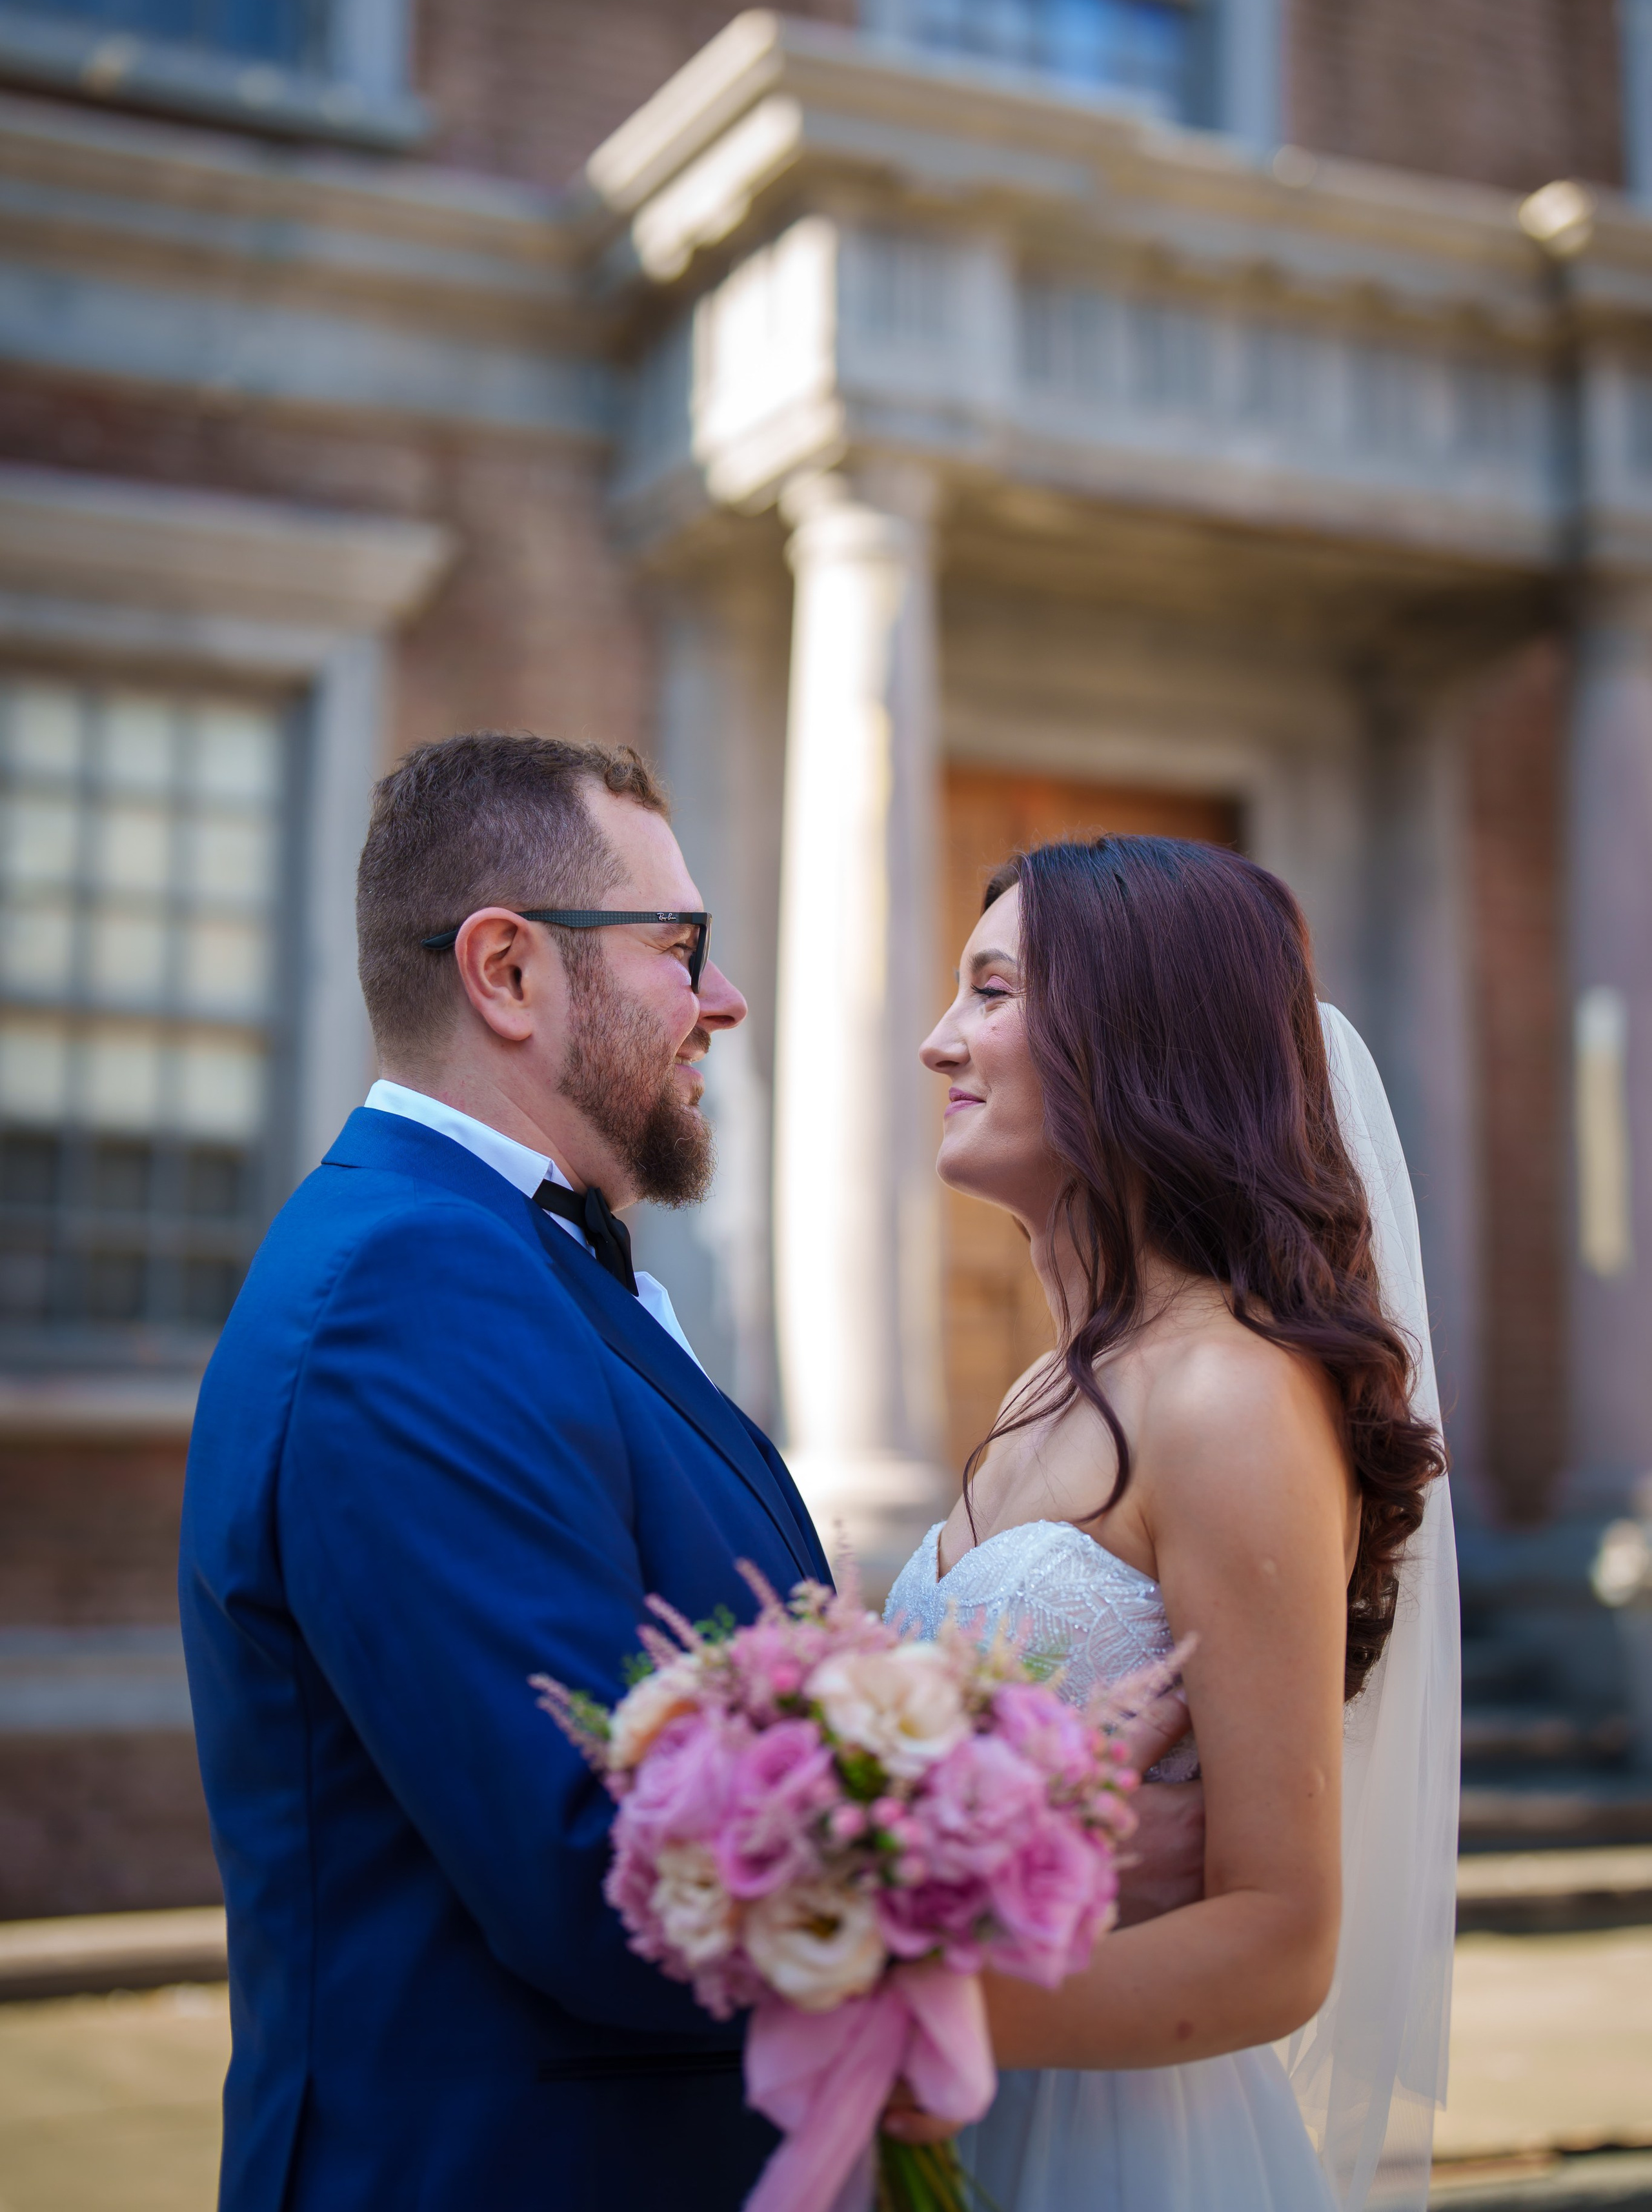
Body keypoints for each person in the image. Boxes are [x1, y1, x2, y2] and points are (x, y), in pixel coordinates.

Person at [179, 734, 1204, 2212]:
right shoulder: (406, 1293)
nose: (723, 999)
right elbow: (592, 1869)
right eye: (678, 948)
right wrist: (1044, 1850)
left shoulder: (501, 1266)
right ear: (508, 972)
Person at [886, 834, 1460, 2212]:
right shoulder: (1041, 1390)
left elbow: (1279, 1940)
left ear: (1133, 1038)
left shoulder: (1228, 1396)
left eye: (990, 992)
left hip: (1121, 2145)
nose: (937, 1041)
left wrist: (912, 2014)